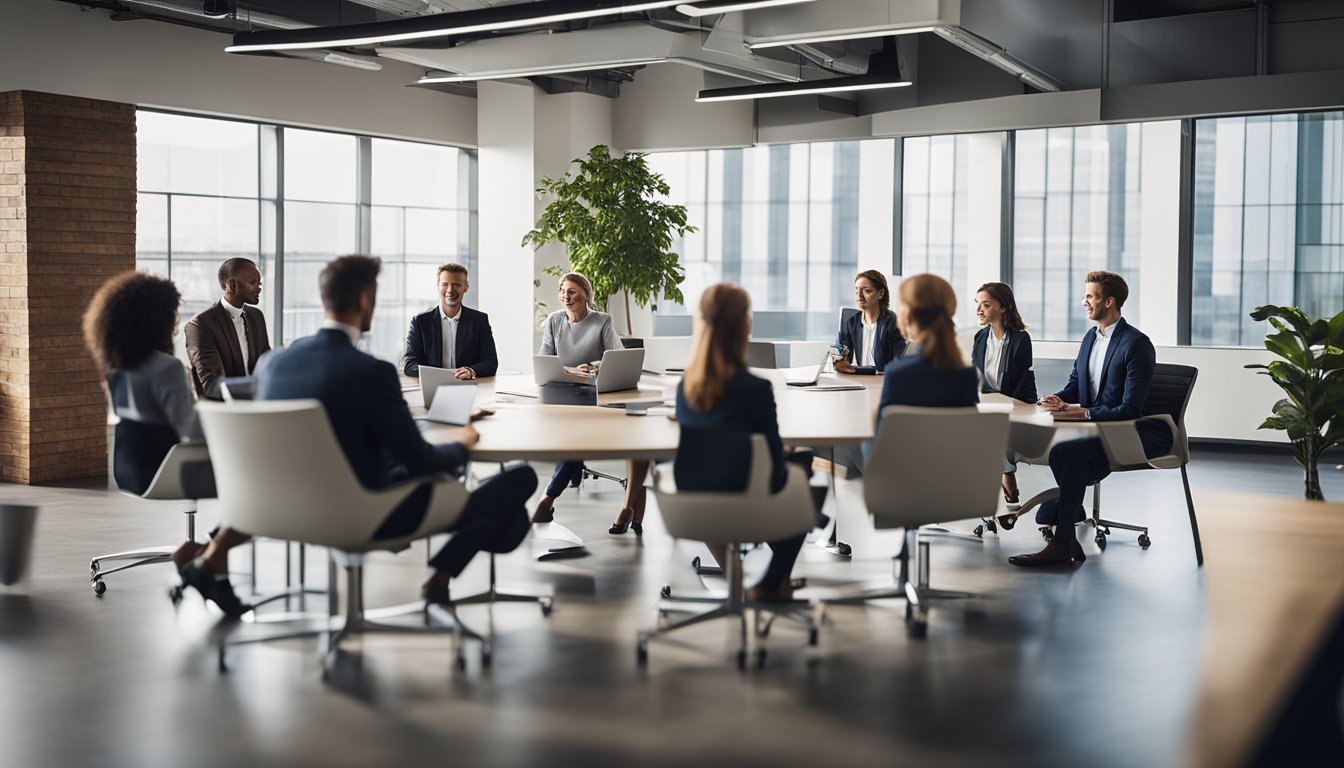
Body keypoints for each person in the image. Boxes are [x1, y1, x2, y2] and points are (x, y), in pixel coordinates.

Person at [178, 255, 537, 616]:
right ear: (366, 300)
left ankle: (209, 562)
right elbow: (421, 461)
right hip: (367, 513)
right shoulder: (372, 372)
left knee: (501, 513)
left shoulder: (275, 364)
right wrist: (462, 442)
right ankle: (440, 575)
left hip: (286, 509)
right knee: (518, 484)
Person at [675, 283, 825, 603]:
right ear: (745, 324)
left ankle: (737, 578)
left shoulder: (685, 386)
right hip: (750, 500)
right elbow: (775, 473)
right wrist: (786, 458)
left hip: (690, 503)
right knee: (805, 474)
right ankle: (771, 583)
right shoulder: (755, 388)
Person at [1010, 270, 1171, 567]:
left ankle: (1064, 536)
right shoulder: (1090, 338)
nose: (1083, 302)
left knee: (1068, 456)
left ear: (1109, 302)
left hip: (1133, 434)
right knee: (1064, 456)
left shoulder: (1136, 343)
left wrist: (1082, 412)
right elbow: (1075, 385)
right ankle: (1069, 519)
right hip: (1099, 430)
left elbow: (1130, 408)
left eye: (1089, 296)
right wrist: (1057, 399)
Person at [530, 272, 649, 535]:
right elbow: (544, 360)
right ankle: (549, 498)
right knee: (574, 441)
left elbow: (616, 358)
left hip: (596, 394)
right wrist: (570, 370)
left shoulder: (602, 320)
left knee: (577, 443)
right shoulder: (553, 320)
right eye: (562, 290)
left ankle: (547, 499)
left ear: (586, 293)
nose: (565, 296)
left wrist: (592, 367)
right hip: (560, 392)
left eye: (572, 291)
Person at [83, 272, 204, 493]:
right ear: (158, 319)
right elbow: (192, 432)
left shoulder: (117, 367)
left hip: (127, 472)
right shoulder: (167, 367)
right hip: (166, 473)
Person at [874, 274, 980, 426]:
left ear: (907, 316)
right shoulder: (968, 374)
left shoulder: (897, 373)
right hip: (953, 450)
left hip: (906, 450)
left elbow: (883, 436)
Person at [970, 281, 1038, 505]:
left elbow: (1020, 385)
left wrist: (997, 404)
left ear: (1003, 307)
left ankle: (1006, 475)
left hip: (1016, 404)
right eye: (977, 304)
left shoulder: (1020, 340)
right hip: (986, 403)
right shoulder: (980, 338)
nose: (979, 309)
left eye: (986, 304)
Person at [184, 258, 271, 401]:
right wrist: (260, 387)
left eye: (259, 283)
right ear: (232, 285)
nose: (259, 288)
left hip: (260, 404)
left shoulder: (256, 317)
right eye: (252, 282)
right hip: (225, 413)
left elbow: (266, 362)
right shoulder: (200, 325)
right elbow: (212, 384)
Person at [400, 261, 499, 380]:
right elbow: (409, 364)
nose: (450, 290)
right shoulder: (420, 322)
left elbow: (490, 362)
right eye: (445, 284)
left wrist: (470, 371)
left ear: (466, 287)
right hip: (431, 387)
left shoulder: (479, 321)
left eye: (456, 285)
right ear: (438, 286)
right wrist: (438, 375)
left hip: (469, 387)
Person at [834, 269, 906, 375]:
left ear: (881, 294)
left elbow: (898, 364)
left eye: (867, 291)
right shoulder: (851, 322)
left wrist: (856, 370)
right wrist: (839, 358)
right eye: (856, 290)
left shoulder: (893, 322)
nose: (859, 296)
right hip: (859, 381)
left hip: (883, 381)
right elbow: (840, 360)